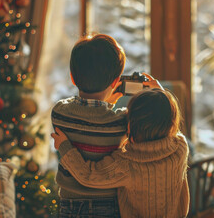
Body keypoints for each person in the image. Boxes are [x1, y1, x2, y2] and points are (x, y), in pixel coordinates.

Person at [51, 34, 160, 217]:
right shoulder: (122, 122)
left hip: (69, 204)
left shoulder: (59, 113)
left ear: (72, 76)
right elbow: (155, 117)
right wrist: (158, 91)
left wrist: (106, 103)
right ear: (115, 82)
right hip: (109, 204)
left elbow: (90, 116)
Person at [52, 89, 190, 218]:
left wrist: (65, 147)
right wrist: (159, 94)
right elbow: (168, 119)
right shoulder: (180, 148)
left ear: (129, 126)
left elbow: (88, 175)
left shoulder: (127, 164)